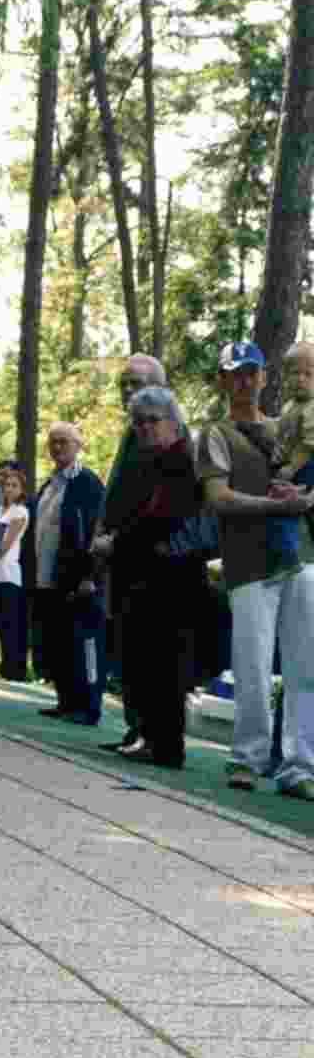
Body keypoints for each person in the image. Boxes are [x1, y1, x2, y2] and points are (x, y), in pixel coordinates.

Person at [196, 341, 314, 798]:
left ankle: (300, 766)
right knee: (252, 663)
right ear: (223, 381)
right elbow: (218, 498)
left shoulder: (293, 424)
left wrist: (305, 500)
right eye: (235, 373)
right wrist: (272, 505)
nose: (244, 381)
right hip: (249, 560)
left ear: (265, 378)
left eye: (252, 372)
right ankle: (248, 757)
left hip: (302, 554)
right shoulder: (217, 434)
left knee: (305, 665)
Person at [102, 387, 205, 768]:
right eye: (138, 422)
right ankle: (150, 736)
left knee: (164, 664)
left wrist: (117, 540)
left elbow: (161, 517)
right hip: (145, 573)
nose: (144, 428)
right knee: (144, 660)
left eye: (152, 420)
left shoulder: (181, 459)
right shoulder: (150, 460)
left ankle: (164, 744)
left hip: (170, 577)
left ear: (173, 422)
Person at [91, 353, 169, 752]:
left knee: (148, 650)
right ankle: (136, 728)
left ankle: (153, 734)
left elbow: (156, 506)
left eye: (135, 383)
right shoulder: (132, 433)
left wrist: (118, 540)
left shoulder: (164, 438)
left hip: (149, 561)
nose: (126, 390)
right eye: (123, 382)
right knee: (126, 646)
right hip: (121, 559)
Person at [32, 422, 107, 725]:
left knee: (84, 643)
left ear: (78, 445)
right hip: (48, 578)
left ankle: (88, 706)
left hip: (77, 579)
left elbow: (95, 531)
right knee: (58, 642)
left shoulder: (87, 483)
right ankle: (66, 701)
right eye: (53, 442)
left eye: (63, 441)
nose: (57, 447)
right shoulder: (50, 484)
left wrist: (90, 575)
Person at [268, 341, 314, 559]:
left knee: (286, 504)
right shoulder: (289, 406)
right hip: (293, 462)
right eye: (295, 373)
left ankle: (287, 555)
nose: (301, 379)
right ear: (286, 377)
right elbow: (284, 433)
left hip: (306, 465)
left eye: (309, 374)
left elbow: (308, 444)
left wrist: (291, 467)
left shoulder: (312, 407)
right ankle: (289, 552)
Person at [0, 468, 29, 681]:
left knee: (9, 624)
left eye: (14, 486)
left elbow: (5, 545)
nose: (9, 489)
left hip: (8, 572)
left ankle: (13, 668)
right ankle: (0, 665)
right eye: (7, 485)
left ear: (21, 490)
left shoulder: (20, 512)